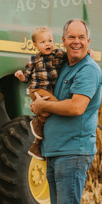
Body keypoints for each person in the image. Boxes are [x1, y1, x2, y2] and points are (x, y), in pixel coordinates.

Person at [30, 18, 102, 204]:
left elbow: (75, 108)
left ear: (88, 41)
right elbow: (41, 59)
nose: (76, 42)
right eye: (71, 37)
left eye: (81, 37)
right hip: (56, 149)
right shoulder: (65, 66)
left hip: (74, 149)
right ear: (63, 41)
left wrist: (41, 107)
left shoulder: (87, 70)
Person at [14, 26, 66, 160]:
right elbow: (27, 77)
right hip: (37, 90)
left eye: (50, 40)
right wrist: (21, 76)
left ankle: (37, 145)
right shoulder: (33, 60)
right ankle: (37, 124)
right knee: (57, 106)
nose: (47, 44)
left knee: (49, 116)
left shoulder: (58, 54)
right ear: (36, 45)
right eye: (43, 42)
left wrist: (87, 54)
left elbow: (71, 57)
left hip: (49, 90)